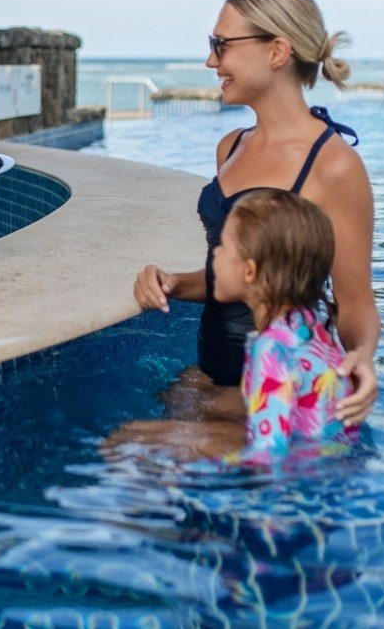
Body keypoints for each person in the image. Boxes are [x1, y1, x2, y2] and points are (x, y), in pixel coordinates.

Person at [133, 0, 380, 427]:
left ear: (277, 51)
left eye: (221, 45)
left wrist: (361, 358)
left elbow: (356, 302)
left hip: (275, 396)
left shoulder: (334, 166)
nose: (212, 61)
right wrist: (173, 282)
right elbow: (242, 276)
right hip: (212, 377)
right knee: (121, 459)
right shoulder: (230, 148)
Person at [108, 189, 356, 463]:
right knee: (185, 392)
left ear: (249, 272)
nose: (215, 255)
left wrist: (199, 467)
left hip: (305, 471)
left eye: (223, 247)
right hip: (335, 453)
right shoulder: (309, 324)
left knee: (127, 437)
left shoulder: (271, 349)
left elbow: (268, 455)